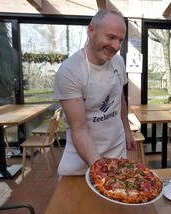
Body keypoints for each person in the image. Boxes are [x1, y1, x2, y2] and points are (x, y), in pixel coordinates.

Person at [53, 9, 136, 176]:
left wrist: (127, 129)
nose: (116, 47)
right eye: (111, 37)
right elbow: (79, 129)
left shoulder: (118, 62)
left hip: (116, 148)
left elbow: (119, 98)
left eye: (120, 40)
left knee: (116, 199)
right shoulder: (70, 71)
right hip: (82, 156)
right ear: (91, 31)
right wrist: (99, 169)